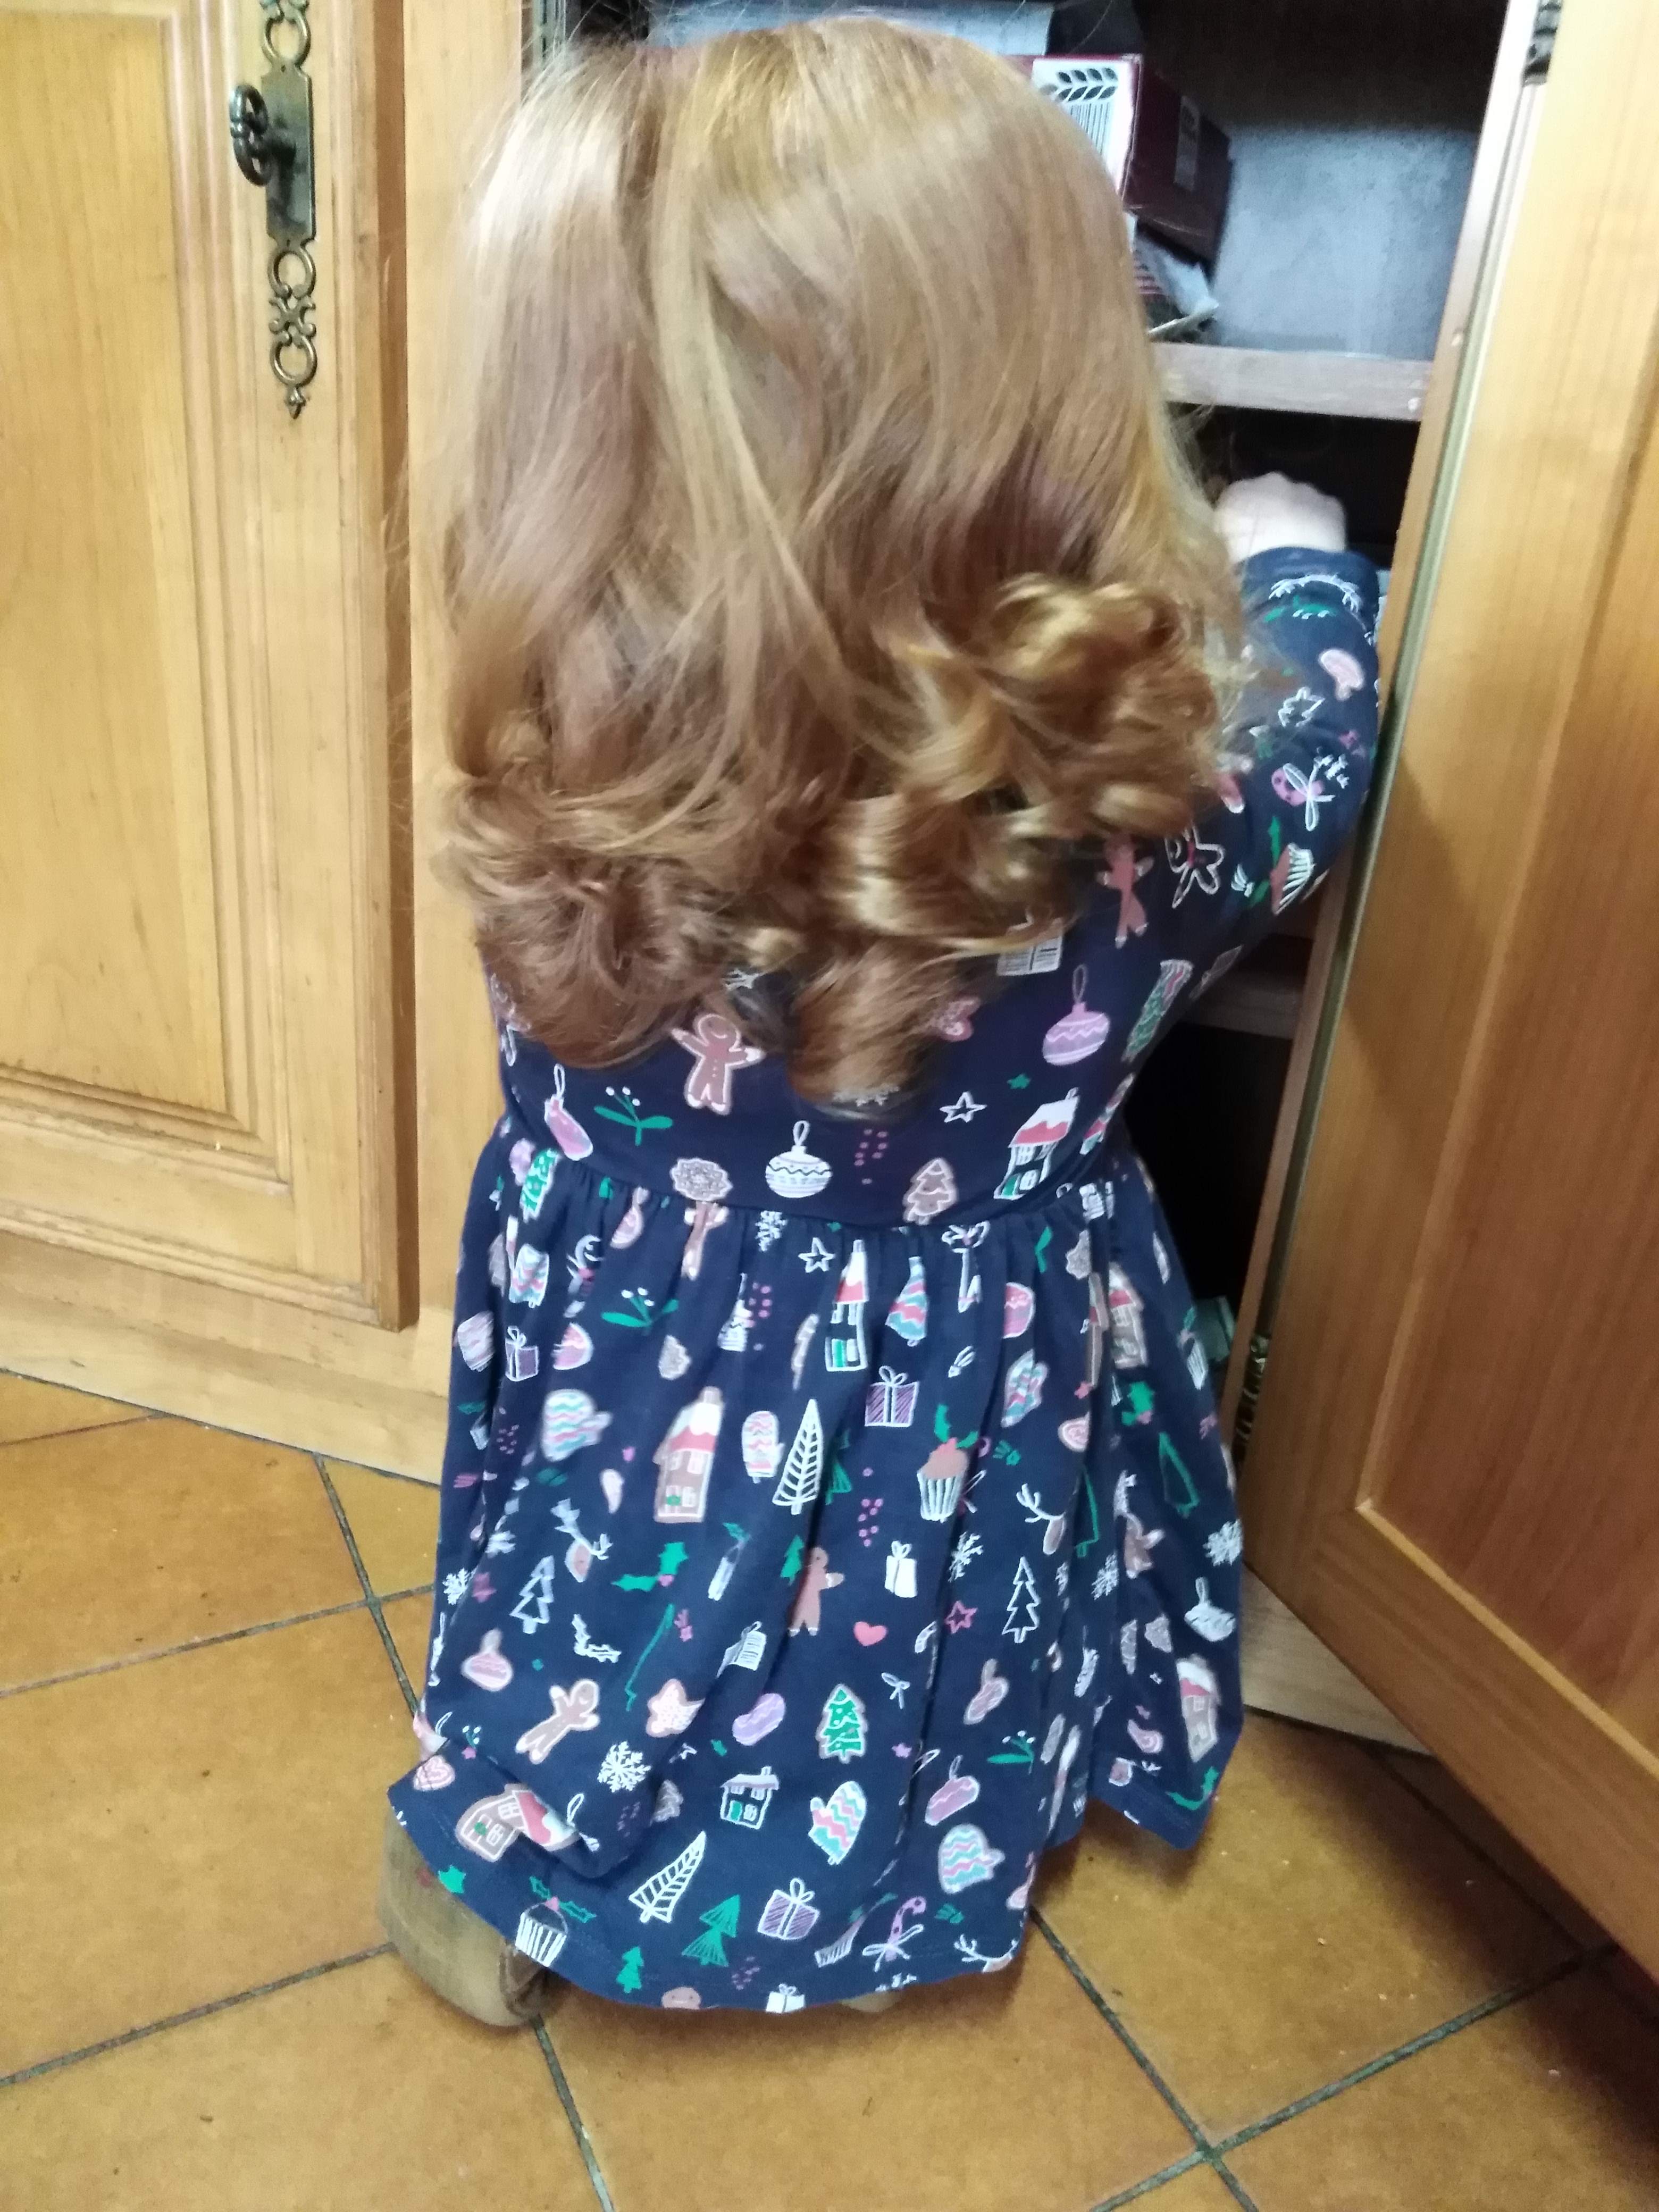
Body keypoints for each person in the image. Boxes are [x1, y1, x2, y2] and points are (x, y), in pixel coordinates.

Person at [376, 18, 1379, 2024]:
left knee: (596, 1596)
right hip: (945, 1384)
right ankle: (912, 1845)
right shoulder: (1122, 831)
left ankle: (506, 1841)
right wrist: (1305, 575)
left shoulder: (552, 762)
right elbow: (1313, 777)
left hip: (630, 1356)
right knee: (927, 1611)